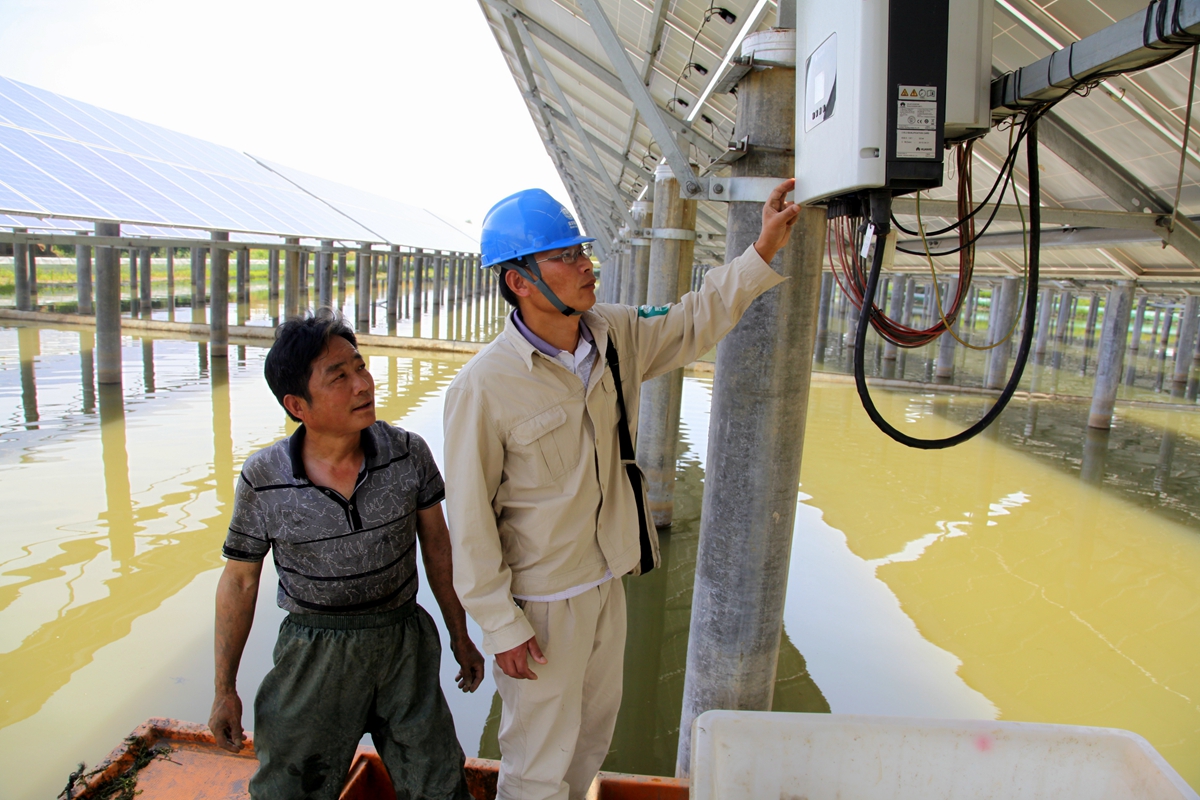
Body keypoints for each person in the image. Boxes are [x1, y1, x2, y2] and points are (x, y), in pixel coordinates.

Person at [443, 179, 801, 799]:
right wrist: (501, 626)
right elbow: (469, 522)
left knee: (588, 741)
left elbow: (694, 318)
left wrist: (762, 248)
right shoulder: (484, 386)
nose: (586, 266)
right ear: (519, 281)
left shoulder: (613, 334)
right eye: (566, 256)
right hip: (542, 604)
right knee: (536, 760)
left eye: (582, 252)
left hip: (606, 582)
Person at [208, 310, 485, 800]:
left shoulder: (407, 453)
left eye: (360, 367)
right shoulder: (263, 477)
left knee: (438, 783)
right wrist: (224, 688)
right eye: (340, 376)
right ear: (298, 405)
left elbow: (437, 547)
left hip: (403, 642)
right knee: (290, 788)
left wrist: (459, 634)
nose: (363, 384)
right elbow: (240, 582)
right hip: (313, 652)